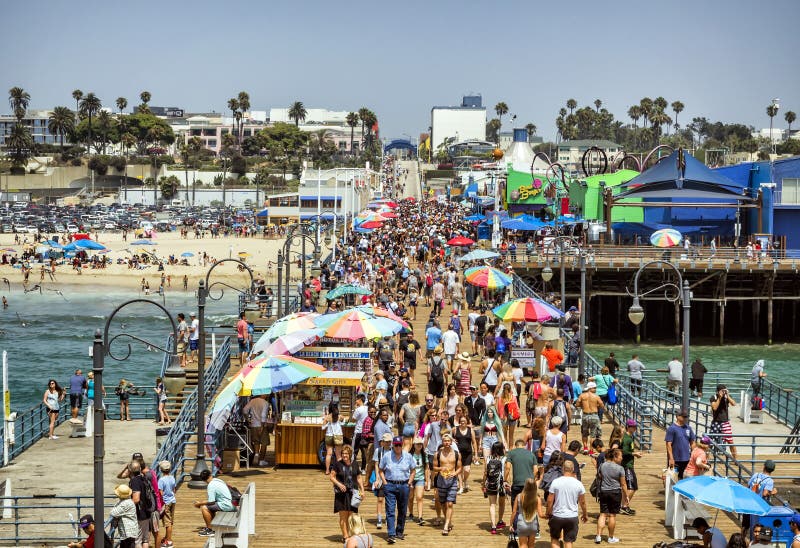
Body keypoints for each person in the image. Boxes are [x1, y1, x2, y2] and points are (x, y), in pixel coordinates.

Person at [378, 436, 415, 544]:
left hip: (404, 485)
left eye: (399, 445)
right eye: (396, 445)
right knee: (390, 510)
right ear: (393, 445)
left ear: (402, 445)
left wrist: (409, 482)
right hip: (390, 485)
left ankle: (399, 531)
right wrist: (384, 482)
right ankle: (391, 534)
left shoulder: (408, 456)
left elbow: (413, 470)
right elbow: (380, 470)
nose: (398, 447)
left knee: (402, 510)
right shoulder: (387, 456)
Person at [546, 459, 588, 548]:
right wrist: (585, 514)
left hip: (557, 515)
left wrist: (548, 511)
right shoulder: (578, 484)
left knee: (554, 539)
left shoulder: (556, 482)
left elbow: (550, 500)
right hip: (572, 516)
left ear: (562, 469)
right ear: (572, 469)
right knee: (568, 541)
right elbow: (583, 502)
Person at [331, 445, 365, 544]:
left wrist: (362, 490)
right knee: (343, 516)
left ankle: (351, 535)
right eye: (343, 453)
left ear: (350, 454)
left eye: (346, 453)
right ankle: (345, 537)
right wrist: (339, 484)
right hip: (341, 494)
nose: (344, 455)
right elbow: (332, 477)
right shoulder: (338, 464)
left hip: (353, 494)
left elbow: (358, 478)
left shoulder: (354, 464)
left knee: (351, 516)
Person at [595, 447, 629, 544]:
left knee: (602, 514)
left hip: (604, 491)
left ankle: (598, 536)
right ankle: (610, 537)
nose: (622, 458)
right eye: (620, 456)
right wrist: (626, 495)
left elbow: (600, 476)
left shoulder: (602, 465)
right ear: (615, 457)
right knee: (612, 516)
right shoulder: (620, 468)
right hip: (615, 493)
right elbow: (623, 484)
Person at [432, 433, 461, 536]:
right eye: (445, 441)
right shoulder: (438, 454)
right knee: (443, 503)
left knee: (450, 503)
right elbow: (434, 467)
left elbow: (459, 467)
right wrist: (441, 468)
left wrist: (455, 473)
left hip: (452, 480)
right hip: (441, 480)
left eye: (448, 441)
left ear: (451, 442)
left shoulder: (456, 454)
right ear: (442, 442)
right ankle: (448, 520)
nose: (447, 443)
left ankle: (446, 525)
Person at [193, 469, 235, 537]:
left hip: (226, 505)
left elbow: (211, 501)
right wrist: (202, 502)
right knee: (209, 507)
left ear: (203, 480)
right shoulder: (217, 480)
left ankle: (210, 530)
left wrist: (199, 504)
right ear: (210, 475)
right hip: (230, 503)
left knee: (204, 508)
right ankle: (213, 527)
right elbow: (212, 501)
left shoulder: (211, 485)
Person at [511, 477, 543, 548]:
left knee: (523, 545)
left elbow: (514, 512)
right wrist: (548, 515)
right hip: (533, 524)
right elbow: (540, 515)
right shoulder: (537, 498)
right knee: (531, 545)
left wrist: (511, 525)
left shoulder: (519, 496)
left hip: (522, 523)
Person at [483, 441, 507, 535]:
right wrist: (507, 482)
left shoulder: (488, 458)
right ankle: (500, 521)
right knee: (501, 503)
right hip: (501, 484)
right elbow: (507, 471)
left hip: (490, 483)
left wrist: (483, 484)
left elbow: (485, 473)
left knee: (492, 504)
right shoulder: (505, 459)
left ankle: (493, 527)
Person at [505, 439, 537, 508]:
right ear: (524, 446)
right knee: (528, 504)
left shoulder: (511, 453)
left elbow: (507, 467)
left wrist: (505, 479)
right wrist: (531, 479)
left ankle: (516, 517)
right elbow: (536, 470)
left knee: (515, 505)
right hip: (528, 484)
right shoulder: (531, 454)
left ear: (515, 446)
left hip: (517, 483)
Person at [710, 384, 738, 461]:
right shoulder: (714, 397)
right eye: (722, 391)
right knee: (710, 442)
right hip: (716, 422)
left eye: (725, 390)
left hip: (725, 422)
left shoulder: (726, 397)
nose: (724, 392)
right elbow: (714, 407)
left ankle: (735, 460)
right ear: (718, 391)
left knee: (730, 441)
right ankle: (706, 458)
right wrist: (719, 397)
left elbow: (734, 403)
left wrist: (727, 396)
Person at [665, 408, 695, 479]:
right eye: (684, 416)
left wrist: (694, 456)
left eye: (686, 417)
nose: (686, 418)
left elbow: (692, 443)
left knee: (684, 478)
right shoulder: (672, 428)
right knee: (672, 478)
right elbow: (668, 444)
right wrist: (671, 458)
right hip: (676, 459)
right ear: (678, 416)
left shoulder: (688, 428)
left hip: (687, 458)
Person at [619, 419, 642, 515]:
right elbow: (623, 452)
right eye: (633, 427)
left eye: (636, 427)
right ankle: (624, 506)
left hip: (629, 465)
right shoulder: (626, 439)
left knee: (629, 486)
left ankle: (623, 505)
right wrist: (634, 453)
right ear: (628, 427)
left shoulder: (630, 437)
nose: (635, 428)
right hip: (627, 466)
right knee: (632, 487)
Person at [576, 381, 604, 453]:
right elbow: (602, 405)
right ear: (590, 388)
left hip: (585, 415)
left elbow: (577, 404)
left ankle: (585, 448)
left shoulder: (582, 395)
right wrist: (596, 406)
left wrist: (583, 406)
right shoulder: (596, 396)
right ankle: (591, 450)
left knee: (584, 433)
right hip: (594, 415)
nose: (595, 389)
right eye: (594, 388)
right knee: (593, 434)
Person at [243, 394, 270, 467]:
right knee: (264, 442)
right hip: (262, 425)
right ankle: (261, 460)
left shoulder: (252, 401)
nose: (267, 395)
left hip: (253, 424)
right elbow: (263, 415)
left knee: (256, 441)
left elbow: (245, 410)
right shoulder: (265, 403)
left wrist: (247, 419)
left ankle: (256, 454)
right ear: (263, 394)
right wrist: (262, 426)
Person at [453, 415, 476, 493]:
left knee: (467, 469)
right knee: (459, 470)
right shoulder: (455, 429)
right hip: (458, 453)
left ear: (467, 421)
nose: (462, 422)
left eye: (464, 420)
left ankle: (464, 480)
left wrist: (476, 454)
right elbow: (448, 436)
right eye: (461, 421)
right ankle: (461, 485)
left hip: (468, 453)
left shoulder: (470, 430)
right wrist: (452, 439)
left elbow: (474, 442)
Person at [408, 437, 428, 525]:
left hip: (420, 478)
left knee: (419, 497)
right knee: (410, 497)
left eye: (420, 444)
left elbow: (427, 468)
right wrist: (408, 481)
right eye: (417, 444)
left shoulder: (424, 455)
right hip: (411, 478)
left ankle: (420, 517)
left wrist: (427, 481)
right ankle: (411, 514)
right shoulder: (409, 455)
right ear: (414, 445)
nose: (419, 445)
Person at [157, 461, 176, 547]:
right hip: (172, 500)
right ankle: (167, 537)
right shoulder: (172, 477)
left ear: (161, 470)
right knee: (170, 521)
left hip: (166, 502)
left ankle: (169, 541)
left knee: (167, 523)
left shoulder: (161, 480)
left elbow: (160, 493)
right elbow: (174, 490)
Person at [323, 406, 345, 475]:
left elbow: (322, 427)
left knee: (329, 454)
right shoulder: (340, 416)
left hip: (329, 436)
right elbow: (344, 422)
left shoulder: (327, 417)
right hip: (338, 436)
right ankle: (339, 470)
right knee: (338, 455)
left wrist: (326, 423)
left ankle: (327, 470)